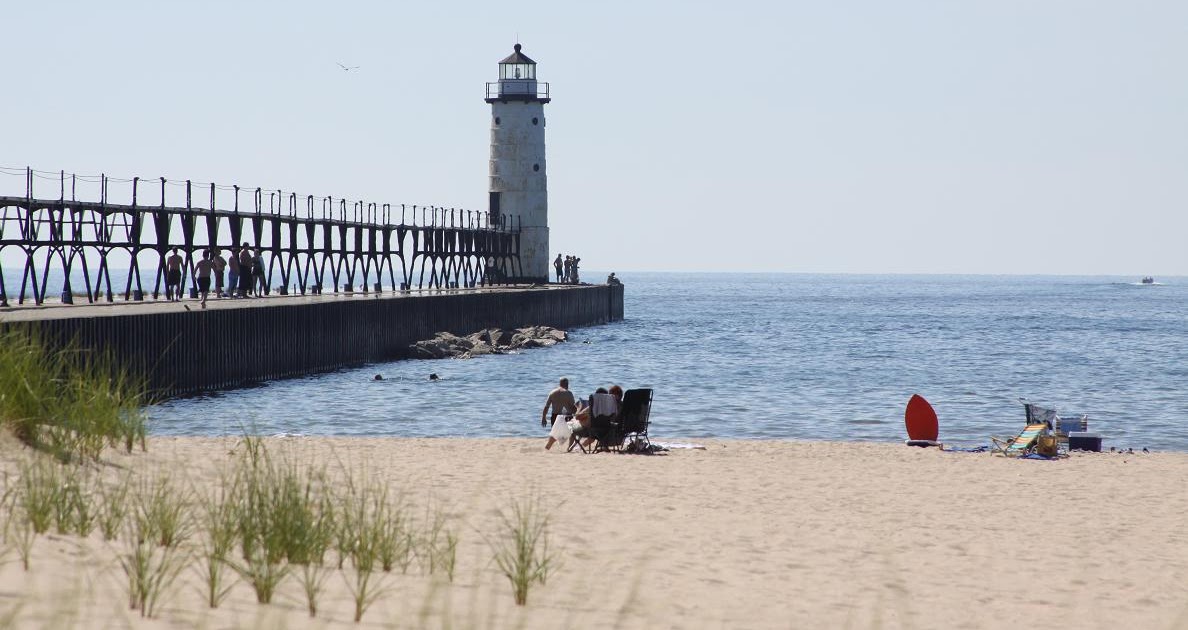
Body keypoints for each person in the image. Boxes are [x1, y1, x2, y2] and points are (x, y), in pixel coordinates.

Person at [542, 377, 577, 450]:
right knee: (573, 433)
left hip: (555, 416)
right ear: (567, 384)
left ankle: (547, 447)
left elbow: (546, 406)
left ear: (560, 384)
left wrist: (543, 417)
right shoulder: (568, 393)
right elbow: (573, 408)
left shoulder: (552, 392)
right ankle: (569, 448)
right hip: (567, 417)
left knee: (555, 434)